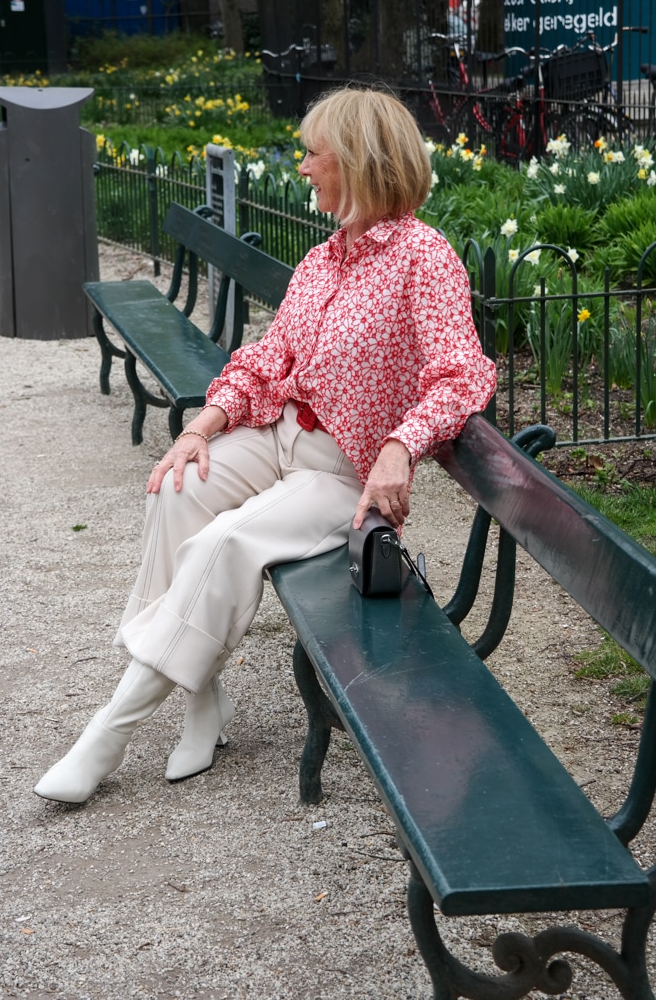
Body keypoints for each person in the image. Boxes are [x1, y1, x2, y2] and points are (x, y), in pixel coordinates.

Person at [34, 86, 497, 805]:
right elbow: (266, 356)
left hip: (342, 474)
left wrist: (401, 444)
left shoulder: (422, 259)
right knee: (179, 486)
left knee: (226, 542)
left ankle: (108, 732)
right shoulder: (324, 259)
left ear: (357, 160)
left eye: (314, 153)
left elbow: (462, 373)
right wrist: (201, 426)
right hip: (281, 434)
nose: (303, 167)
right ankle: (200, 700)